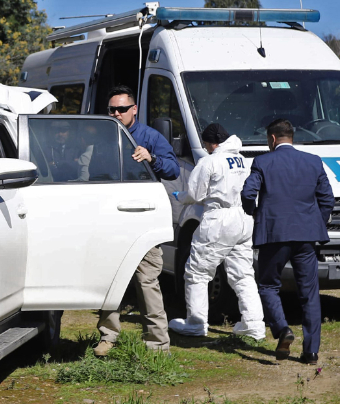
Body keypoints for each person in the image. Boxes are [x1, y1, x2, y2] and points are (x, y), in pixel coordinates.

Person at [95, 85, 180, 356]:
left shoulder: (151, 136)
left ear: (134, 109)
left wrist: (151, 158)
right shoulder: (104, 137)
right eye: (112, 110)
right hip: (112, 218)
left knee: (147, 281)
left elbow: (173, 170)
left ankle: (158, 345)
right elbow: (94, 174)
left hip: (144, 220)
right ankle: (108, 337)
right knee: (110, 279)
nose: (116, 114)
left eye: (121, 109)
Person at [241, 119, 334, 365]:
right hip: (306, 236)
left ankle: (282, 329)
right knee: (309, 293)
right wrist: (315, 222)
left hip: (274, 234)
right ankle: (311, 352)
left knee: (268, 285)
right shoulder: (313, 161)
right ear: (291, 137)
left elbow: (248, 193)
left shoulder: (262, 162)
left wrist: (255, 213)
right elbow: (327, 199)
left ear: (272, 139)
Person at [168, 123, 264, 340]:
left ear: (210, 143)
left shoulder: (209, 161)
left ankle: (196, 323)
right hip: (243, 218)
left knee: (197, 273)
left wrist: (179, 197)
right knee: (243, 274)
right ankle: (254, 325)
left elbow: (195, 194)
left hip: (219, 219)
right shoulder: (242, 160)